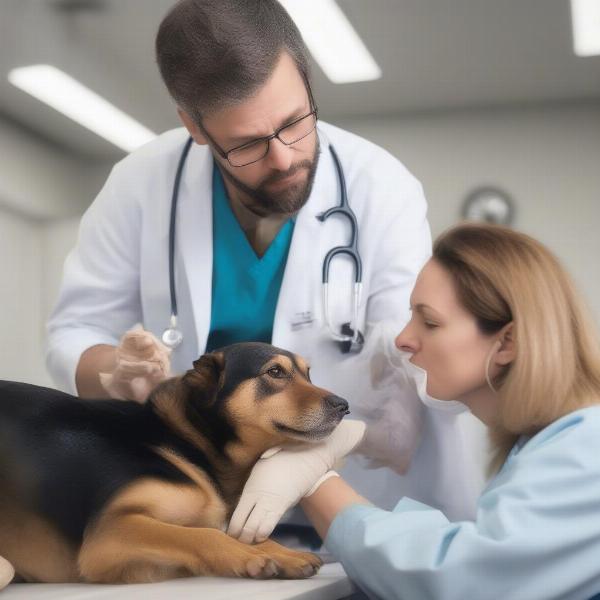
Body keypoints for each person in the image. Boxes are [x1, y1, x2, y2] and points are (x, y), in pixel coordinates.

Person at [46, 0, 479, 524]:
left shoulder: (379, 186)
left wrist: (327, 451)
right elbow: (77, 327)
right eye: (248, 144)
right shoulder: (141, 184)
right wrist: (113, 373)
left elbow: (410, 348)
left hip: (366, 498)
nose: (283, 158)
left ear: (307, 82)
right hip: (206, 505)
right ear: (196, 127)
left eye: (295, 122)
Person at [229, 223, 600, 600]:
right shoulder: (555, 445)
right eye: (411, 316)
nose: (403, 339)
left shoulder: (588, 449)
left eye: (430, 322)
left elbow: (463, 576)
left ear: (508, 342)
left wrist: (316, 481)